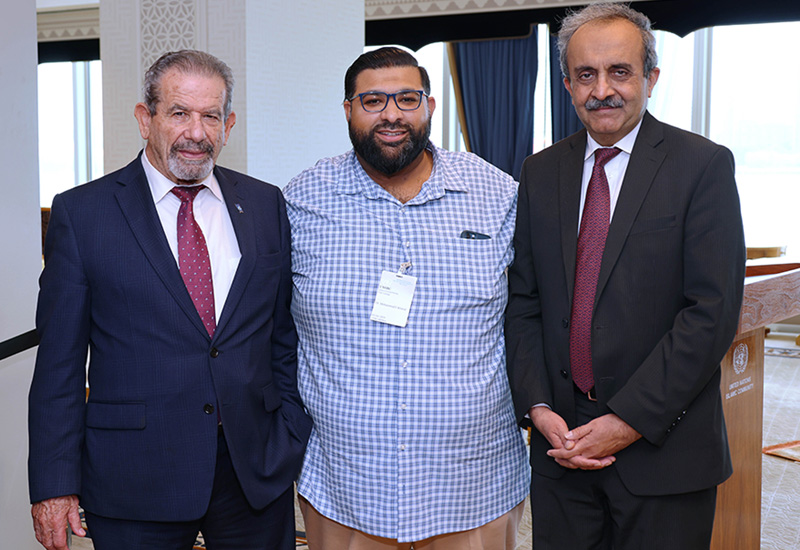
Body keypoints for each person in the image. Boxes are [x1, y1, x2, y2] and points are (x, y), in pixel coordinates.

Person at [28, 49, 311, 550]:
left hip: (252, 473)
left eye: (211, 116)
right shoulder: (84, 214)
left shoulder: (266, 204)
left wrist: (286, 429)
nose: (196, 133)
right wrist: (55, 485)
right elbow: (59, 367)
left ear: (229, 124)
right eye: (180, 113)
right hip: (134, 476)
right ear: (145, 118)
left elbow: (281, 336)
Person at [505, 3, 746, 549]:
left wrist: (627, 419)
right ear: (567, 84)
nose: (602, 90)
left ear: (650, 78)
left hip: (664, 449)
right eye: (585, 75)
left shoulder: (702, 166)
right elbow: (524, 302)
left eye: (620, 72)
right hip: (560, 449)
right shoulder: (540, 171)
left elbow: (709, 315)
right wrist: (539, 408)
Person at [283, 47, 529, 549]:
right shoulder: (300, 201)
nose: (391, 114)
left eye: (407, 99)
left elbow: (535, 312)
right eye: (373, 100)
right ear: (348, 109)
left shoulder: (499, 195)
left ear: (431, 106)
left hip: (473, 487)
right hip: (345, 488)